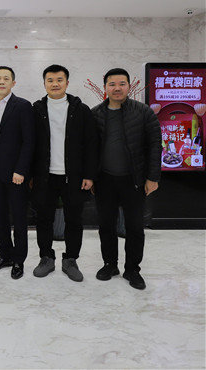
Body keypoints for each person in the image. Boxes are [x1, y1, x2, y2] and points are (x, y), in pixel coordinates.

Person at [92, 68, 161, 290]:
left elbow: (155, 145)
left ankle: (132, 269)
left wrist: (152, 177)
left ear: (129, 86)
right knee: (106, 225)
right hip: (105, 180)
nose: (117, 88)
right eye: (112, 84)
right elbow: (89, 150)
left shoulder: (143, 112)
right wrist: (90, 177)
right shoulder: (95, 114)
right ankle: (110, 264)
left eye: (122, 83)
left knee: (135, 227)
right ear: (105, 88)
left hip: (134, 180)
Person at [31, 64, 98, 282]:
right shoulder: (36, 110)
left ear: (67, 83)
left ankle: (70, 260)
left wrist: (89, 175)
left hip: (74, 176)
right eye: (50, 80)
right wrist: (30, 174)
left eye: (59, 80)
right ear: (44, 84)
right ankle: (46, 258)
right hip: (44, 176)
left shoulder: (81, 110)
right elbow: (29, 144)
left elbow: (91, 144)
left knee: (74, 220)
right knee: (43, 219)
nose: (55, 84)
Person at [0, 66, 34, 279]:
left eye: (6, 78)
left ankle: (19, 260)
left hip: (16, 175)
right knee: (0, 217)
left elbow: (29, 141)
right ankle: (5, 255)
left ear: (13, 83)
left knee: (19, 219)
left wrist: (21, 170)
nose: (2, 82)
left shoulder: (22, 106)